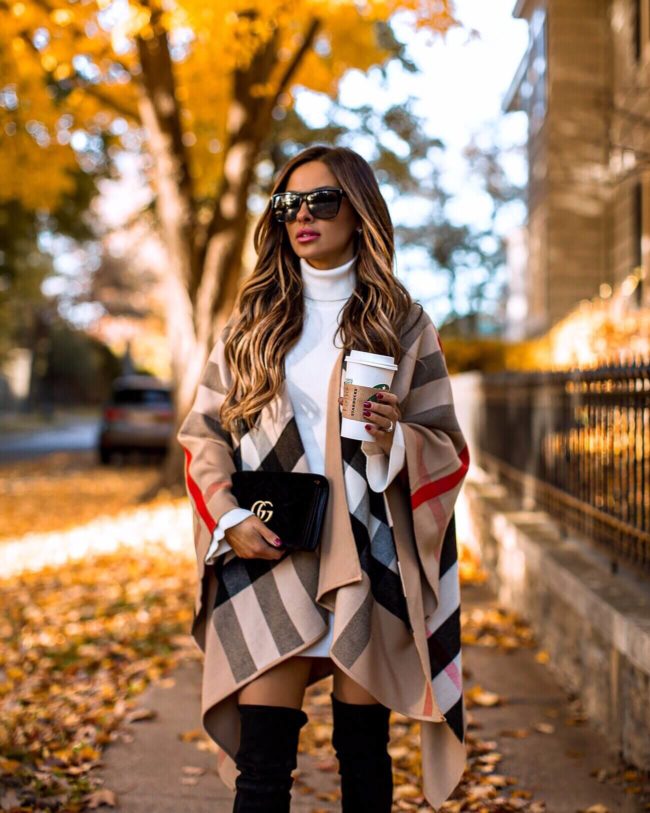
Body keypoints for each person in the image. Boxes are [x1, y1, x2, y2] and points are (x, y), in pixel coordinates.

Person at [177, 144, 469, 812]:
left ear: (358, 211)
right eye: (288, 204)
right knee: (262, 768)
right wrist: (227, 518)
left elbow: (448, 447)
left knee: (362, 757)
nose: (302, 216)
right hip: (269, 546)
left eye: (321, 201)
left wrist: (396, 436)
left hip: (365, 556)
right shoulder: (250, 326)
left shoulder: (403, 323)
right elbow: (204, 435)